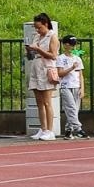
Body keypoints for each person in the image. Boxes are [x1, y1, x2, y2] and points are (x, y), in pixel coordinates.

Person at [25, 12, 60, 141]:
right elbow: (33, 53)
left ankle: (50, 130)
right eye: (36, 27)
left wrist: (38, 49)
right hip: (36, 67)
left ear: (46, 24)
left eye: (39, 27)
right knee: (39, 102)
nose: (37, 30)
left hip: (46, 69)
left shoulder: (52, 37)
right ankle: (43, 128)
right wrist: (30, 50)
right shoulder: (37, 37)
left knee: (47, 101)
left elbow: (53, 55)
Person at [54, 35, 87, 139]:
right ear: (65, 45)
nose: (73, 47)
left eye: (74, 44)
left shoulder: (77, 58)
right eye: (70, 44)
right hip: (65, 86)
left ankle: (69, 129)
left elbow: (80, 74)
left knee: (74, 110)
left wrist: (82, 88)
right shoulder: (61, 58)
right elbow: (60, 73)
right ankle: (78, 129)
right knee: (71, 108)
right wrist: (71, 67)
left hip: (76, 86)